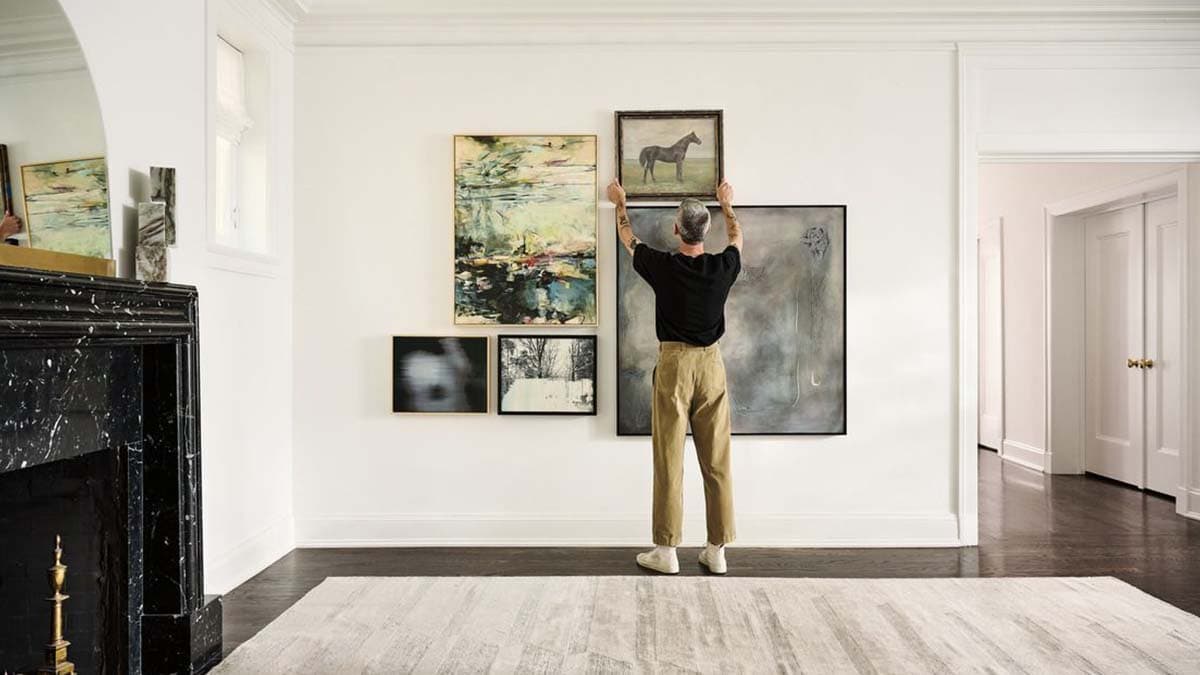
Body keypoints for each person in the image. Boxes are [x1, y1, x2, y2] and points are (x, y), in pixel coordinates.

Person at [608, 178, 743, 575]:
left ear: (675, 229)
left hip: (673, 366)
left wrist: (621, 201)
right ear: (707, 229)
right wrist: (727, 204)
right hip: (712, 366)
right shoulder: (723, 266)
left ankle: (666, 552)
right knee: (717, 460)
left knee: (669, 458)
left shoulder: (662, 266)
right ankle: (717, 550)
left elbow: (627, 236)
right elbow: (737, 236)